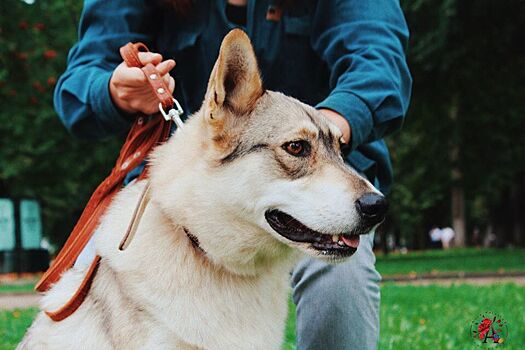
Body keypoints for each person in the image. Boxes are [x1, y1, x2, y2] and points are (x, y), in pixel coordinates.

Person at [54, 0, 411, 348]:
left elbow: (379, 63)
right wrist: (114, 90)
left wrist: (316, 131)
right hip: (169, 204)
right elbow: (78, 84)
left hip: (321, 188)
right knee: (80, 307)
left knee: (340, 281)